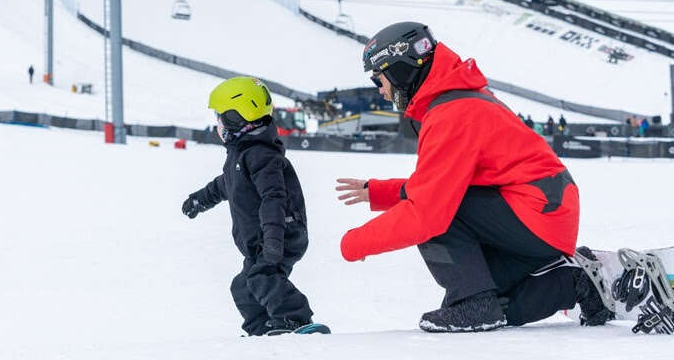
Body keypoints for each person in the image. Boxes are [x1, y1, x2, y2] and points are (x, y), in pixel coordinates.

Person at [336, 21, 612, 333]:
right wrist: (380, 193)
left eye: (379, 79)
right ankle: (576, 283)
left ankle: (472, 303)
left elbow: (428, 211)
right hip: (544, 218)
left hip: (536, 213)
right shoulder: (457, 100)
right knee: (498, 302)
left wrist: (355, 243)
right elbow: (445, 182)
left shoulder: (452, 113)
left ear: (401, 68)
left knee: (439, 221)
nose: (381, 90)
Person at [181, 77, 325, 336]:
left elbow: (274, 198)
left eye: (220, 117)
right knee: (243, 286)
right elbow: (226, 184)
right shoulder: (241, 154)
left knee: (262, 277)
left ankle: (296, 319)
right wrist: (199, 200)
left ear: (236, 118)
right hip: (261, 239)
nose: (217, 124)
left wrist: (272, 240)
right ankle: (263, 327)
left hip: (280, 234)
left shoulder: (262, 156)